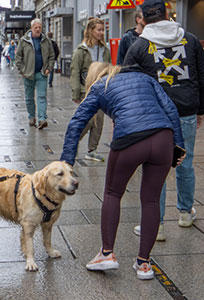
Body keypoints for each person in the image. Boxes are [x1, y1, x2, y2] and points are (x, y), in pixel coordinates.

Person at [60, 62, 185, 280]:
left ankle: (107, 253)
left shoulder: (100, 86)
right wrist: (178, 148)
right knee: (151, 200)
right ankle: (144, 264)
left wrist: (66, 162)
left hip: (130, 138)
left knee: (112, 193)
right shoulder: (144, 78)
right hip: (163, 137)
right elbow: (171, 109)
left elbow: (77, 122)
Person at [124, 0, 204, 240]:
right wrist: (200, 109)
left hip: (155, 114)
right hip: (186, 110)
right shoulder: (189, 40)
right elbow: (201, 75)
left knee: (155, 168)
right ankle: (185, 213)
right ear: (167, 14)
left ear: (143, 18)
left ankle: (155, 225)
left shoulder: (139, 46)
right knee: (185, 162)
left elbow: (128, 83)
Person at [70, 17, 111, 162]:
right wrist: (76, 92)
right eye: (99, 30)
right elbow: (75, 71)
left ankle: (92, 150)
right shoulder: (81, 50)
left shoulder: (104, 49)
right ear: (91, 31)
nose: (101, 32)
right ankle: (72, 145)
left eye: (102, 30)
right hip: (85, 90)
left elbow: (108, 68)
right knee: (87, 120)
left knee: (99, 121)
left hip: (101, 89)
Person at [15, 18, 55, 129]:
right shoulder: (24, 41)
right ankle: (31, 117)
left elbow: (52, 56)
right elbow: (18, 57)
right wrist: (22, 70)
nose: (38, 29)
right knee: (29, 98)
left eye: (39, 27)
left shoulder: (46, 40)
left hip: (42, 73)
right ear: (31, 28)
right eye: (35, 27)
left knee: (42, 96)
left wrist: (48, 68)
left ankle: (42, 119)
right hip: (28, 74)